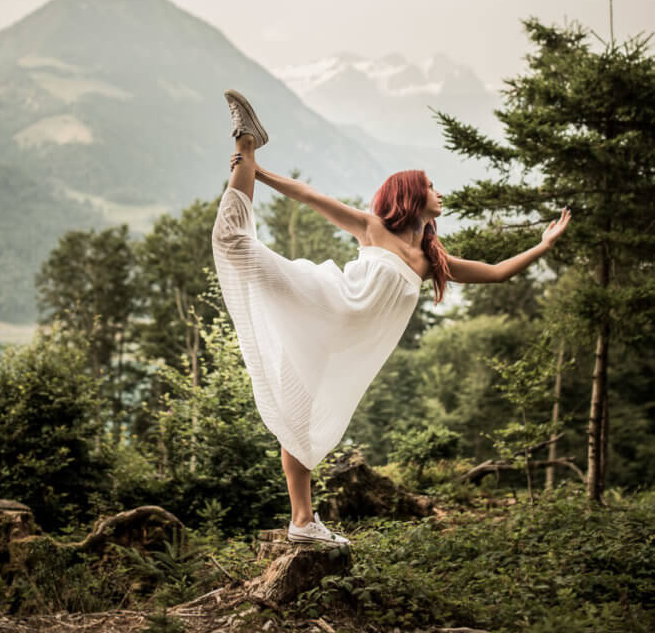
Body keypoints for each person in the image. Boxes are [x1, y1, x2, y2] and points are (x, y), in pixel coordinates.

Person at [211, 89, 571, 545]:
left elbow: (497, 273)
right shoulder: (373, 228)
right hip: (323, 302)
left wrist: (544, 244)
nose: (440, 194)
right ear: (412, 194)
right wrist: (255, 171)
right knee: (232, 244)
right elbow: (308, 195)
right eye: (432, 187)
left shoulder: (430, 260)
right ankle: (247, 143)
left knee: (300, 424)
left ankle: (301, 523)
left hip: (336, 342)